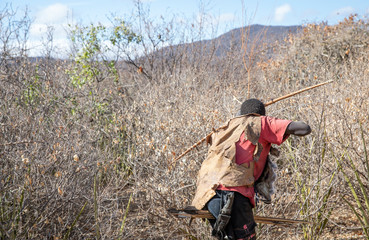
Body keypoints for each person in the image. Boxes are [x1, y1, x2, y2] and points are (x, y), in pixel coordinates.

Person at [190, 98, 311, 240]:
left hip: (208, 196)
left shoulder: (227, 127)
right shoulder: (260, 123)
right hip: (234, 196)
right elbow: (304, 128)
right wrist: (267, 121)